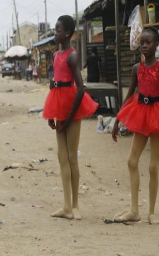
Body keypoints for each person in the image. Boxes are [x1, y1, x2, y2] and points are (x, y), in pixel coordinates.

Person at [111, 27, 159, 224]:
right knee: (131, 161)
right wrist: (118, 119)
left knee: (153, 166)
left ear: (156, 44)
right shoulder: (137, 69)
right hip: (141, 113)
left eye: (148, 42)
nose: (144, 45)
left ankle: (151, 213)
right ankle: (134, 210)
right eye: (141, 42)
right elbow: (129, 95)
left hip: (158, 116)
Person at [42, 15, 98, 220]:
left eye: (58, 30)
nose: (55, 33)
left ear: (67, 33)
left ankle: (74, 206)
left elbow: (81, 88)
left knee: (72, 156)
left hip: (72, 107)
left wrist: (69, 118)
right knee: (61, 155)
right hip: (58, 105)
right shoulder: (57, 54)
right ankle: (67, 206)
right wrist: (52, 113)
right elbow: (56, 81)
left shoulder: (72, 55)